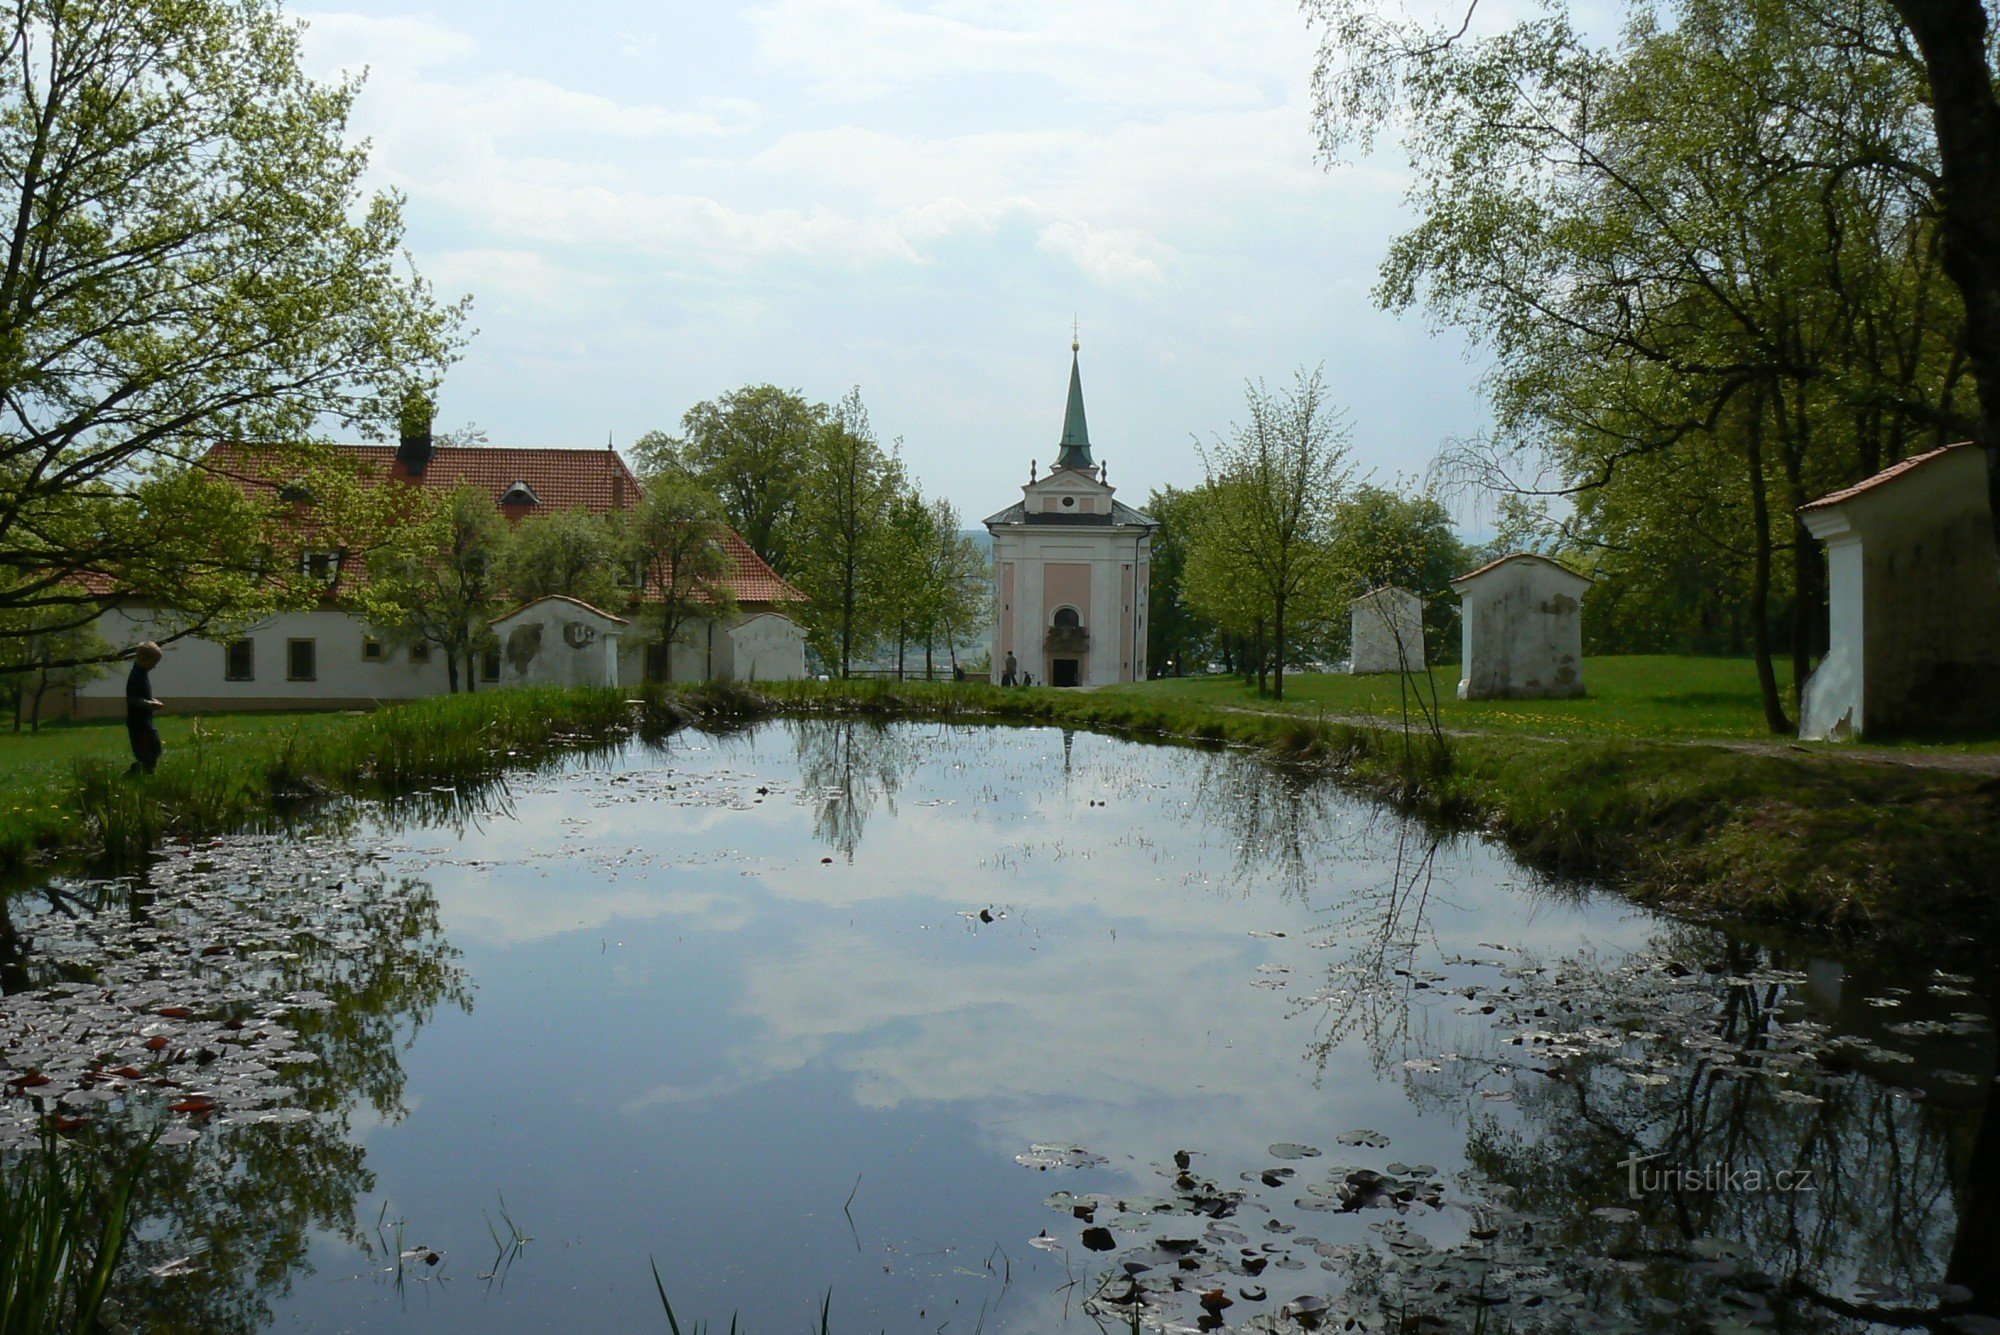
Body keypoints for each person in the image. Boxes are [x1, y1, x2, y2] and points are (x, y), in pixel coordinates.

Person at [126, 642, 165, 775]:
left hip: (145, 720)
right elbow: (133, 699)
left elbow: (142, 695)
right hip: (138, 722)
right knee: (146, 752)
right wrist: (150, 704)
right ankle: (137, 774)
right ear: (144, 659)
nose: (154, 666)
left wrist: (152, 700)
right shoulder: (136, 676)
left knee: (155, 748)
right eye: (153, 662)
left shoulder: (142, 674)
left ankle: (144, 772)